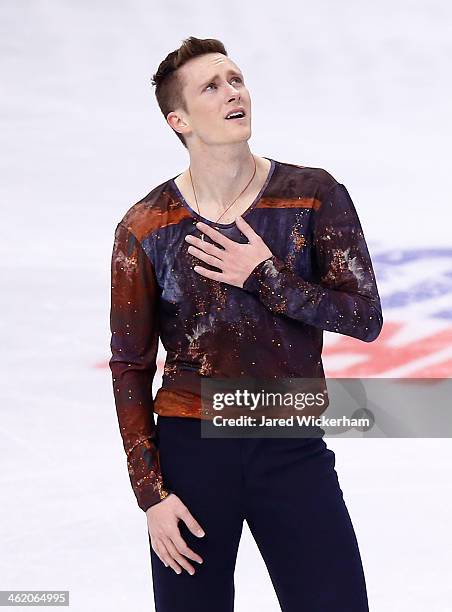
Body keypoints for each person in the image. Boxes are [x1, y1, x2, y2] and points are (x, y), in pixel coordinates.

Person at [108, 36, 383, 612]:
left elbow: (363, 317)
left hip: (291, 445)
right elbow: (131, 365)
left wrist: (266, 277)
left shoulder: (311, 196)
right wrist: (151, 495)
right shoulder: (146, 226)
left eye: (236, 79)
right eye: (212, 86)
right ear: (177, 119)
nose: (234, 92)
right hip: (191, 455)